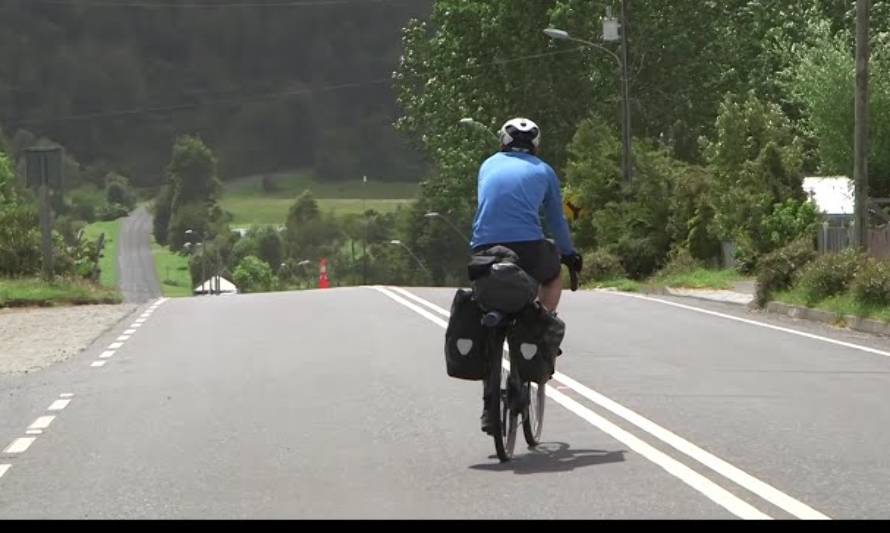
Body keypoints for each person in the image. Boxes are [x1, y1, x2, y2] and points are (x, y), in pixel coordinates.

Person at [470, 117, 582, 434]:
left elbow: (486, 208)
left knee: (484, 315)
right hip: (529, 248)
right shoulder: (543, 171)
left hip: (485, 247)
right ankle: (541, 320)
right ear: (535, 145)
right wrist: (569, 253)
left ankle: (488, 407)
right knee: (552, 276)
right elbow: (557, 221)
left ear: (502, 142)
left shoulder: (487, 165)